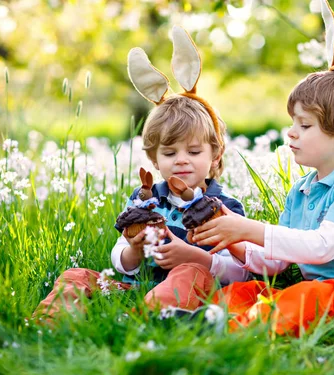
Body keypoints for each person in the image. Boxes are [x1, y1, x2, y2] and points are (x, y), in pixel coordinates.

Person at [192, 0, 334, 336]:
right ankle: (207, 320)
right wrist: (230, 233)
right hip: (328, 293)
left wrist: (248, 227)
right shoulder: (303, 190)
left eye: (305, 125)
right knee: (246, 291)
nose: (291, 133)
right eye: (292, 122)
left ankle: (238, 331)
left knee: (305, 296)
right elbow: (274, 263)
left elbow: (320, 247)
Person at [33, 26, 249, 321]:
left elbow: (240, 270)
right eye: (170, 153)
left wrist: (195, 257)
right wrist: (133, 252)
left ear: (215, 156)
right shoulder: (145, 200)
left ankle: (140, 322)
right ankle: (48, 324)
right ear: (154, 159)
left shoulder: (224, 207)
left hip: (192, 288)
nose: (181, 161)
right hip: (134, 286)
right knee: (77, 275)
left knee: (188, 274)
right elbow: (119, 254)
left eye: (194, 152)